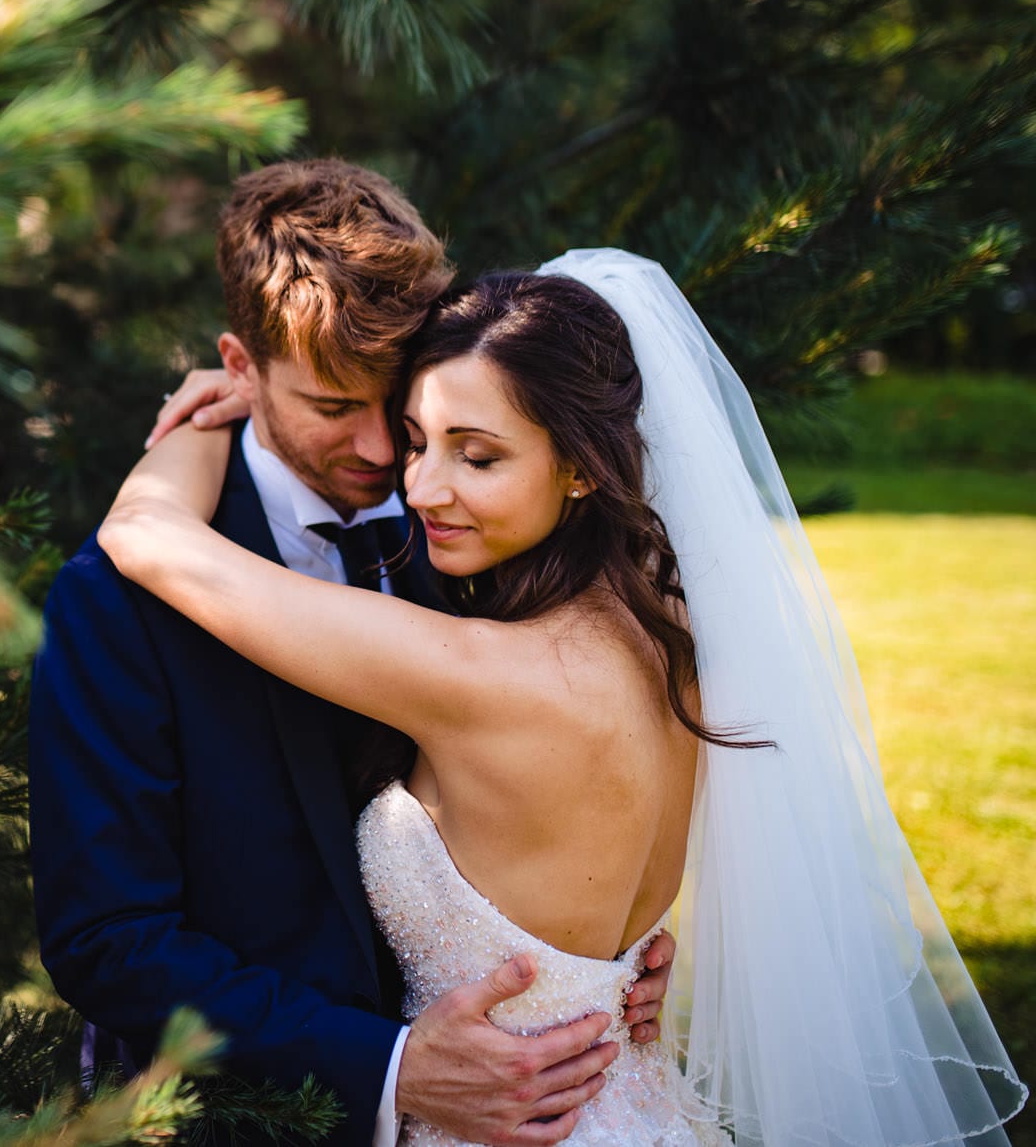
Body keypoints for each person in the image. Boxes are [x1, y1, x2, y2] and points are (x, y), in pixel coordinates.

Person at [98, 249, 1027, 1145]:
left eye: (479, 456)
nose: (420, 486)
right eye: (418, 440)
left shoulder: (472, 676)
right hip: (638, 1103)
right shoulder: (676, 627)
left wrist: (216, 413)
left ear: (581, 467)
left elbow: (142, 535)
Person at [28, 161, 676, 1147]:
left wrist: (610, 955)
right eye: (332, 405)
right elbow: (111, 939)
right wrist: (386, 1070)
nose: (386, 453)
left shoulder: (482, 544)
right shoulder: (115, 602)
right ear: (236, 369)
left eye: (401, 403)